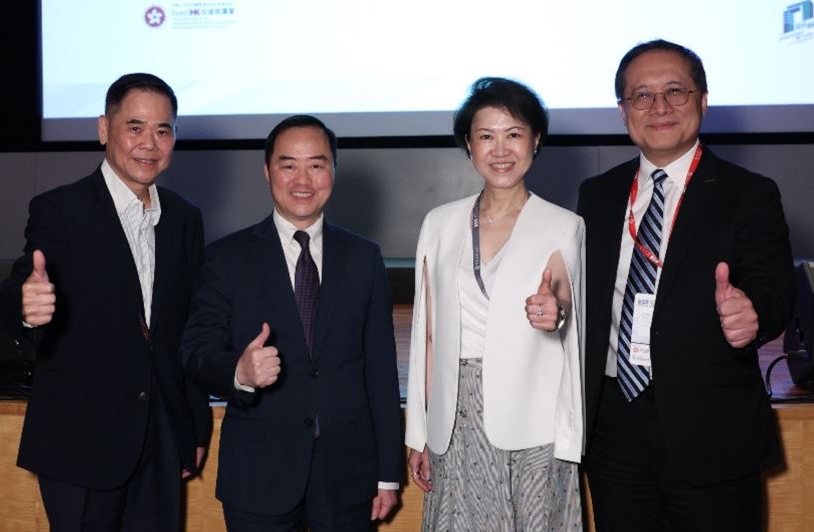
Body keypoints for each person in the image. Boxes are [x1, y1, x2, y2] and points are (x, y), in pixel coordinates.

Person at [571, 40, 795, 531]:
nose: (660, 107)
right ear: (622, 111)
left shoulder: (749, 193)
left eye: (676, 91)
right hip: (614, 427)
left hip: (709, 425)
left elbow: (775, 289)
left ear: (703, 101)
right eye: (642, 96)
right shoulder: (598, 194)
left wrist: (751, 313)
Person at [0, 73, 212, 531]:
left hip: (160, 439)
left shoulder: (184, 219)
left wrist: (192, 426)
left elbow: (187, 331)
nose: (149, 143)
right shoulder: (60, 210)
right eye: (134, 127)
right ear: (103, 129)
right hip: (81, 442)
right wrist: (23, 303)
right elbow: (21, 279)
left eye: (163, 129)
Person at [180, 115, 403, 531]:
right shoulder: (227, 258)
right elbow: (195, 351)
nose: (303, 179)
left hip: (348, 478)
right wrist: (240, 372)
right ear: (267, 172)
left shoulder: (364, 257)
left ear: (333, 172)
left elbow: (380, 371)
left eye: (317, 165)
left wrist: (387, 473)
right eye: (288, 165)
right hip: (258, 478)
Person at [405, 77, 585, 531]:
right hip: (456, 416)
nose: (500, 149)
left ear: (536, 140)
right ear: (469, 144)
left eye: (514, 134)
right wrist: (419, 433)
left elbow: (568, 318)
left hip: (535, 417)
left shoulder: (564, 226)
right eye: (486, 136)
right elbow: (426, 333)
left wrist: (555, 315)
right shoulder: (440, 223)